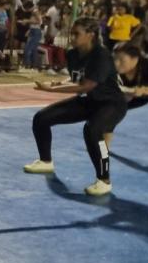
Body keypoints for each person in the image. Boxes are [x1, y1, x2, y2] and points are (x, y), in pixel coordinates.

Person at [25, 18, 127, 196]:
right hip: (90, 101)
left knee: (93, 131)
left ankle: (105, 180)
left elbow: (86, 86)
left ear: (90, 35)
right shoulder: (72, 54)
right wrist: (58, 81)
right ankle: (45, 161)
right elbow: (77, 79)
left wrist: (52, 89)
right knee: (42, 118)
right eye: (71, 32)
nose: (72, 36)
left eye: (76, 33)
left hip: (112, 104)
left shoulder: (101, 55)